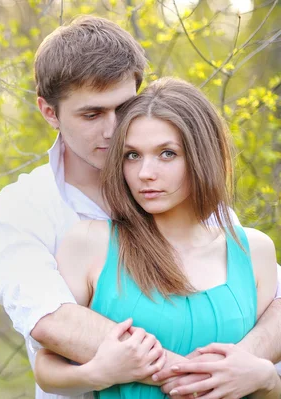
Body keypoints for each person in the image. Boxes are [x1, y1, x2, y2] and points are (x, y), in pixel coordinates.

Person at [0, 15, 281, 399]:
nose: (111, 129)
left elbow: (268, 299)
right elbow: (49, 319)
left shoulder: (180, 191)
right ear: (49, 112)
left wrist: (247, 370)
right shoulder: (24, 208)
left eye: (122, 108)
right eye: (91, 114)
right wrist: (196, 378)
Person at [32, 77, 281, 398]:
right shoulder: (90, 244)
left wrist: (267, 379)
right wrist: (97, 373)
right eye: (132, 155)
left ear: (202, 156)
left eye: (167, 153)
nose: (145, 172)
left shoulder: (252, 250)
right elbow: (46, 367)